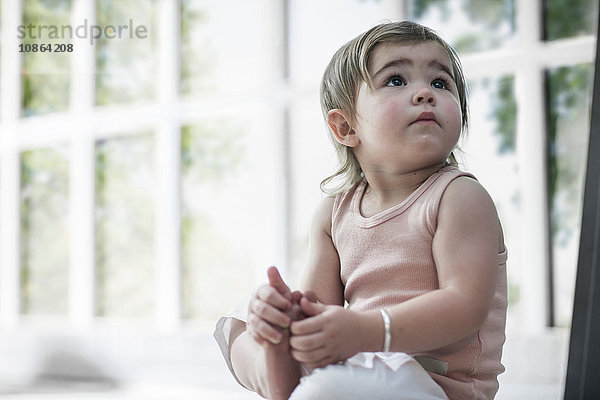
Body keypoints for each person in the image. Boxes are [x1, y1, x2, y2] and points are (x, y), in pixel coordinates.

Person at [214, 20, 507, 400]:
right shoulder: (333, 214)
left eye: (440, 83)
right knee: (243, 320)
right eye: (397, 81)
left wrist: (367, 331)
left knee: (331, 389)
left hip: (433, 384)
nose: (425, 94)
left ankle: (300, 390)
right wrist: (289, 320)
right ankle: (278, 375)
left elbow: (465, 305)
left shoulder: (459, 196)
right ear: (346, 126)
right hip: (361, 367)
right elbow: (319, 308)